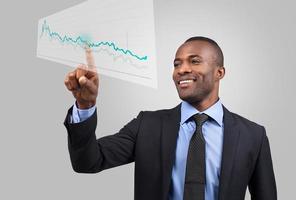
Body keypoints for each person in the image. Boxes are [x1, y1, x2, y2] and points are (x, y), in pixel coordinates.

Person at [64, 36, 277, 200]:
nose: (182, 69)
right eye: (176, 64)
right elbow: (88, 162)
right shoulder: (147, 125)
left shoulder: (253, 135)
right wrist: (86, 104)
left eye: (194, 61)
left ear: (219, 72)